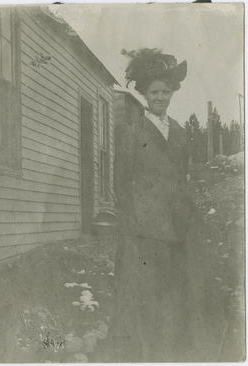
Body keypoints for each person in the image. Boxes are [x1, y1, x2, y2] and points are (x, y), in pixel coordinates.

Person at [103, 48, 224, 362]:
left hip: (175, 229)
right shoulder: (131, 133)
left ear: (172, 94)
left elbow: (183, 177)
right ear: (144, 94)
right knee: (142, 297)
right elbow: (120, 183)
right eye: (155, 92)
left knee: (175, 295)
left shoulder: (181, 134)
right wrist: (136, 220)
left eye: (166, 92)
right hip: (142, 234)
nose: (161, 97)